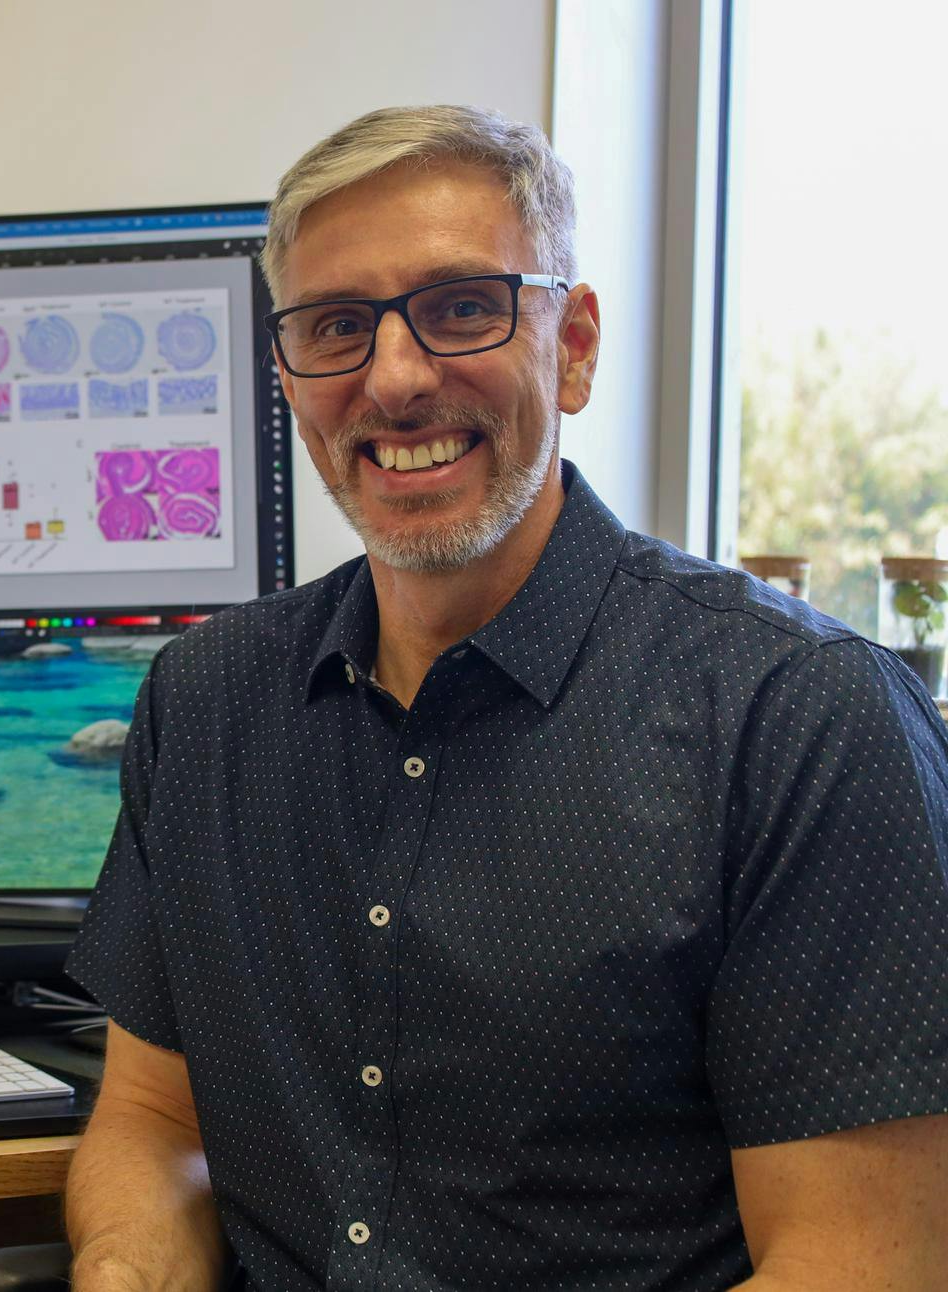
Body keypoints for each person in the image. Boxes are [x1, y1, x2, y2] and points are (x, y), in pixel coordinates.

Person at [62, 104, 948, 1291]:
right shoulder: (206, 701)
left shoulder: (799, 718)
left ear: (571, 343)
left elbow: (855, 1261)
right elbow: (153, 1122)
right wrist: (123, 1267)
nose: (393, 378)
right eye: (335, 327)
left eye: (461, 307)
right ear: (285, 378)